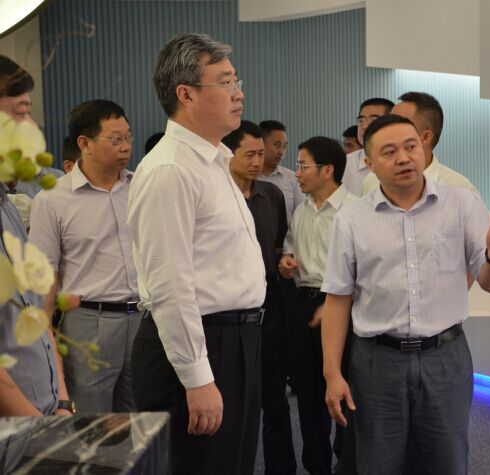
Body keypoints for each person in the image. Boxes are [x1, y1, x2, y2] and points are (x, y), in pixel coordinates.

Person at [321, 115, 490, 475]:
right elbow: (337, 299)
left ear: (424, 149)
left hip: (445, 358)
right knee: (377, 463)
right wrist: (332, 372)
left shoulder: (462, 204)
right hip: (377, 362)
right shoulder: (352, 218)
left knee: (447, 461)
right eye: (389, 152)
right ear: (369, 163)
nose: (404, 158)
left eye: (411, 147)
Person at [128, 33, 265, 475]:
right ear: (185, 94)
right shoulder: (170, 169)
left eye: (236, 80)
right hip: (197, 345)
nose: (238, 93)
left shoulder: (214, 161)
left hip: (236, 340)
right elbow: (170, 284)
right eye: (225, 82)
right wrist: (197, 377)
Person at [30, 99, 140, 414]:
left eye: (128, 137)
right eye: (115, 139)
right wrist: (45, 335)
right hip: (88, 322)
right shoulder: (52, 199)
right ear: (84, 143)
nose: (126, 146)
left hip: (143, 318)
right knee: (92, 422)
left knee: (142, 418)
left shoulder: (140, 187)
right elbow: (44, 275)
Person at [222, 120, 296, 475]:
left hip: (270, 309)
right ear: (227, 154)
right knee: (233, 402)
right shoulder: (216, 197)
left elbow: (280, 243)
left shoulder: (272, 196)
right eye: (249, 154)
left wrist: (284, 261)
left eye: (260, 154)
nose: (257, 162)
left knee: (274, 398)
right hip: (228, 314)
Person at [279, 137, 356, 475]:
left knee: (347, 391)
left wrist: (337, 305)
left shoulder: (355, 210)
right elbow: (290, 248)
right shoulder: (301, 210)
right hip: (304, 307)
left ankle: (348, 464)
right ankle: (317, 467)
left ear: (327, 170)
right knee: (308, 395)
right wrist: (286, 261)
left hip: (344, 309)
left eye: (303, 165)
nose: (297, 173)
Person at [0, 54, 72, 417]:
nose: (31, 129)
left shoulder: (7, 206)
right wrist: (38, 427)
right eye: (20, 113)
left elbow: (34, 315)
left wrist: (62, 401)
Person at [361, 92, 478, 196]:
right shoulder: (372, 180)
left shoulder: (460, 190)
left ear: (425, 137)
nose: (389, 128)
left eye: (401, 123)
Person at [342, 98, 394, 196]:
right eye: (361, 120)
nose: (364, 126)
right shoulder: (345, 164)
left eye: (373, 120)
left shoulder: (402, 162)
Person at [258, 120, 304, 223]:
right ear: (261, 144)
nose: (281, 152)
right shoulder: (248, 177)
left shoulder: (292, 178)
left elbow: (302, 215)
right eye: (277, 145)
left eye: (284, 146)